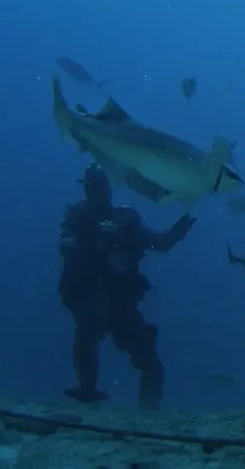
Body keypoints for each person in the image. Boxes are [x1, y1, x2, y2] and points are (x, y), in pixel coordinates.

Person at [57, 165, 194, 408]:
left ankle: (147, 417)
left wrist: (176, 233)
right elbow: (67, 246)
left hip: (122, 304)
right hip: (89, 298)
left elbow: (158, 242)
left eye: (101, 186)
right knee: (88, 327)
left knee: (152, 366)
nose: (99, 192)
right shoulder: (77, 219)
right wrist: (93, 239)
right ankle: (87, 387)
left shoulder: (126, 220)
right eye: (93, 186)